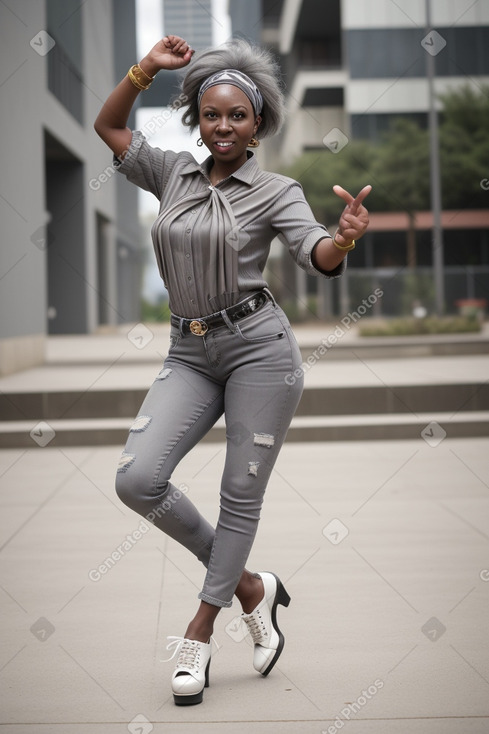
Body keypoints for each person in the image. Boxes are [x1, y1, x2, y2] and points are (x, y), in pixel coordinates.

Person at [94, 34, 370, 706]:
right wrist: (146, 71)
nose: (223, 125)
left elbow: (314, 253)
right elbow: (108, 125)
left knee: (236, 497)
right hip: (188, 351)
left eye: (237, 116)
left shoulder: (277, 190)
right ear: (196, 115)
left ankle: (199, 631)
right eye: (212, 114)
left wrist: (342, 239)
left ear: (258, 124)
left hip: (259, 351)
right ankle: (251, 586)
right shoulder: (169, 172)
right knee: (137, 479)